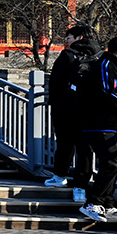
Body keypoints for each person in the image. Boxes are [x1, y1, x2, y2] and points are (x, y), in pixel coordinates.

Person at [75, 36, 117, 222]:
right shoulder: (105, 65)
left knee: (111, 165)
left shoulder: (112, 67)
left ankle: (107, 204)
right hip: (100, 124)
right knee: (112, 164)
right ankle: (92, 203)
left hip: (111, 125)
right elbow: (108, 94)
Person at [45, 25, 100, 196]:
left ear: (79, 37)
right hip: (90, 110)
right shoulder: (100, 56)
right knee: (85, 149)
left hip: (66, 109)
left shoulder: (68, 55)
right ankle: (80, 187)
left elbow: (55, 82)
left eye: (68, 37)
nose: (66, 41)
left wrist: (54, 103)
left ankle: (60, 176)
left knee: (64, 144)